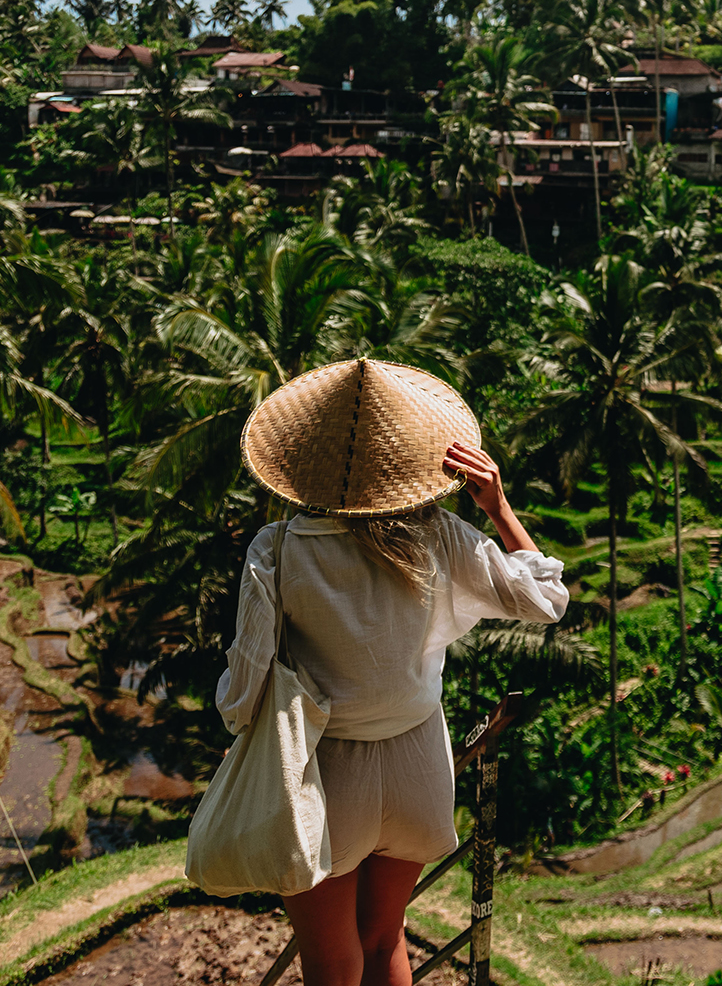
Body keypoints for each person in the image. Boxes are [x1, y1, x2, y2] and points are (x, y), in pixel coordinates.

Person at [214, 358, 569, 986]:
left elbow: (243, 694)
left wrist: (242, 720)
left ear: (303, 464)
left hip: (326, 774)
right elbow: (544, 602)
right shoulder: (433, 533)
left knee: (333, 960)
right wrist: (498, 504)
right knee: (384, 942)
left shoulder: (278, 548)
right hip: (419, 772)